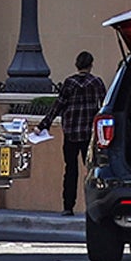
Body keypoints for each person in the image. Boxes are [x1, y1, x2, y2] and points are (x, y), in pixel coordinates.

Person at [51, 52, 104, 213]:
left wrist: (44, 125)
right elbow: (104, 104)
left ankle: (68, 206)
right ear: (91, 65)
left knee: (70, 170)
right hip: (88, 134)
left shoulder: (69, 83)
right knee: (92, 170)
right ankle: (92, 206)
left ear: (77, 65)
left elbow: (58, 105)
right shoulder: (96, 82)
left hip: (71, 133)